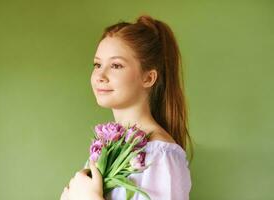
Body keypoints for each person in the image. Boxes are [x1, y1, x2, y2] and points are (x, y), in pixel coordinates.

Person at [60, 14, 194, 200]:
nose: (100, 75)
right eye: (97, 64)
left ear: (148, 78)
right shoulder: (106, 149)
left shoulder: (160, 155)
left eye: (116, 65)